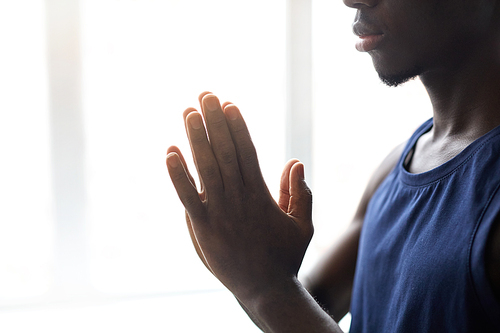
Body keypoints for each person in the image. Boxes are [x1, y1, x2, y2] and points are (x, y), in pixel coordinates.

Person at [166, 0, 500, 331]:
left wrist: (266, 289)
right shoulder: (396, 168)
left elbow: (282, 297)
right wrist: (244, 260)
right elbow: (303, 303)